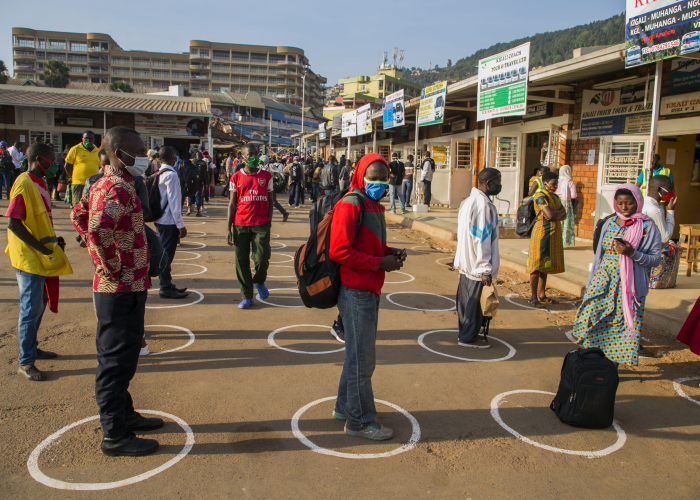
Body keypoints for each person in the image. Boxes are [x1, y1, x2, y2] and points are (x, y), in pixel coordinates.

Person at [71, 126, 162, 457]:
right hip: (120, 288)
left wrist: (108, 264)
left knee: (121, 356)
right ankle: (114, 435)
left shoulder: (102, 184)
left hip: (127, 286)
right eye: (138, 149)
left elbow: (78, 214)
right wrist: (110, 267)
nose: (143, 155)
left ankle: (126, 415)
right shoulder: (118, 189)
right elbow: (95, 231)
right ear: (118, 152)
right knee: (115, 362)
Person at [329, 152, 406, 441]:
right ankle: (359, 421)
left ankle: (343, 407)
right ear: (361, 175)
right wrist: (378, 263)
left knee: (356, 356)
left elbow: (369, 245)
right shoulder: (351, 204)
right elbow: (339, 250)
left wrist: (389, 253)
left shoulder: (372, 205)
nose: (379, 182)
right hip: (356, 291)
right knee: (363, 360)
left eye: (383, 177)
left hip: (368, 288)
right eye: (373, 177)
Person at [573, 184, 661, 366]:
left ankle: (610, 371)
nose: (624, 207)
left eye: (629, 203)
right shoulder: (609, 223)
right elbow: (600, 254)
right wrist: (592, 281)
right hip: (604, 282)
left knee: (620, 330)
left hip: (630, 288)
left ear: (637, 202)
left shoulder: (647, 227)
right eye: (620, 203)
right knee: (590, 318)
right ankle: (594, 362)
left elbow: (655, 260)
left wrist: (632, 254)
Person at [6, 142, 73, 381]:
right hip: (29, 258)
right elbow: (13, 223)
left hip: (41, 256)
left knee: (40, 303)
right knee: (30, 308)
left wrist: (52, 243)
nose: (55, 165)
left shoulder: (39, 184)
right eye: (52, 161)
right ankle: (25, 362)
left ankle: (32, 347)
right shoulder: (24, 183)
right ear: (38, 160)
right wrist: (42, 249)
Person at [454, 168, 501, 348]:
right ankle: (468, 337)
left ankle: (467, 333)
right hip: (476, 265)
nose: (499, 186)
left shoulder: (468, 201)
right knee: (474, 304)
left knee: (467, 302)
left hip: (467, 262)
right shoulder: (483, 206)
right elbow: (482, 239)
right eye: (497, 182)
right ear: (489, 183)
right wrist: (484, 268)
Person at [226, 144, 273, 309]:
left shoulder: (267, 176)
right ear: (242, 156)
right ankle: (246, 296)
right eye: (249, 154)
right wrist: (228, 228)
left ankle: (259, 281)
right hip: (240, 224)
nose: (253, 156)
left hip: (261, 224)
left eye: (256, 153)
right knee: (241, 261)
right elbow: (232, 204)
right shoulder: (235, 177)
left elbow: (271, 201)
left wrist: (269, 222)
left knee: (261, 258)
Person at [527, 171, 567, 308]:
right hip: (542, 234)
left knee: (546, 264)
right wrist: (558, 214)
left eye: (556, 184)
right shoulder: (539, 196)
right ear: (545, 183)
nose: (555, 187)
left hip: (554, 235)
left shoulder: (555, 197)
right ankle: (533, 296)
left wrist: (557, 214)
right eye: (553, 184)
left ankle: (542, 294)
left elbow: (564, 215)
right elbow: (549, 215)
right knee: (536, 265)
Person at [154, 146, 189, 299]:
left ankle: (167, 283)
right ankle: (165, 287)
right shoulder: (171, 175)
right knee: (166, 256)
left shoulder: (158, 172)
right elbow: (175, 202)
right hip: (169, 221)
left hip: (160, 218)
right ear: (173, 157)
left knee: (165, 254)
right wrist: (180, 225)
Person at [642, 175, 679, 290]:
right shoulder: (655, 211)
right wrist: (671, 211)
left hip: (637, 253)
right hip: (645, 255)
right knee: (641, 288)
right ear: (659, 190)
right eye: (669, 188)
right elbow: (665, 237)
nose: (672, 191)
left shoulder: (642, 202)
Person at [64, 131, 100, 207]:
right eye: (86, 138)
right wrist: (71, 177)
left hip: (94, 183)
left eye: (91, 139)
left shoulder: (98, 151)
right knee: (78, 206)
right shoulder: (75, 149)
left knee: (92, 206)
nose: (88, 141)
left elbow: (101, 166)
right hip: (79, 182)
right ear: (82, 139)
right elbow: (67, 165)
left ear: (94, 140)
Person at [260, 154, 289, 222]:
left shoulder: (270, 166)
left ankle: (284, 213)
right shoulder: (260, 166)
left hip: (271, 186)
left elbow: (279, 172)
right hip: (262, 186)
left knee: (273, 202)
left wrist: (283, 178)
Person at [555, 165, 577, 247]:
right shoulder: (569, 182)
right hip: (566, 204)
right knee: (566, 223)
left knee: (558, 223)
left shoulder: (556, 181)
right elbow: (573, 196)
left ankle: (555, 240)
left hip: (557, 203)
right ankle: (564, 241)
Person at [186, 152, 207, 217]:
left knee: (190, 195)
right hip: (200, 181)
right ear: (201, 156)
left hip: (192, 181)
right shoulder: (204, 163)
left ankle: (189, 208)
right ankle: (198, 211)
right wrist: (206, 183)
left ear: (195, 156)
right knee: (198, 196)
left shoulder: (192, 163)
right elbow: (206, 174)